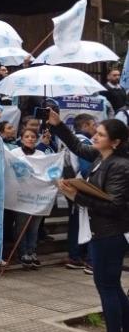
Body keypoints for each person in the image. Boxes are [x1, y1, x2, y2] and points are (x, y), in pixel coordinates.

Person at [49, 110, 129, 332]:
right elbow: (76, 145)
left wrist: (76, 195)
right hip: (101, 232)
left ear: (115, 142)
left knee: (108, 288)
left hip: (110, 234)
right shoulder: (100, 157)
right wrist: (58, 124)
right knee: (112, 288)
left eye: (101, 134)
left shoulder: (120, 166)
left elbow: (115, 206)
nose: (95, 136)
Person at [61, 113, 97, 273]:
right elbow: (85, 168)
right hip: (82, 187)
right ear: (85, 126)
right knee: (86, 223)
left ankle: (75, 256)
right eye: (93, 125)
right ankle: (88, 260)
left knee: (76, 221)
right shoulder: (83, 142)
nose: (95, 129)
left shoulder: (69, 141)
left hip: (72, 185)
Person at [10, 128, 45, 269]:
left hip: (38, 196)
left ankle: (32, 251)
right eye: (27, 136)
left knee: (34, 228)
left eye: (33, 136)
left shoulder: (41, 154)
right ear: (21, 139)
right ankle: (22, 252)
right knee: (21, 226)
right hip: (22, 196)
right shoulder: (14, 153)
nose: (30, 139)